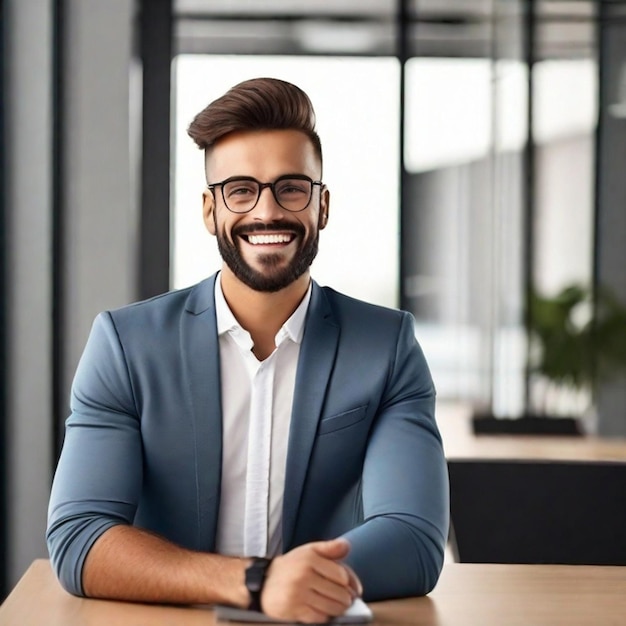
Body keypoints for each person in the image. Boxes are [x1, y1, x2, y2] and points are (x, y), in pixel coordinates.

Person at [46, 77, 449, 623]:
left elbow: (414, 539)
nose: (267, 213)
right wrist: (257, 584)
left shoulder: (386, 346)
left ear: (322, 205)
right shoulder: (125, 345)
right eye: (240, 190)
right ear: (211, 210)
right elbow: (78, 536)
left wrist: (301, 587)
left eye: (291, 188)